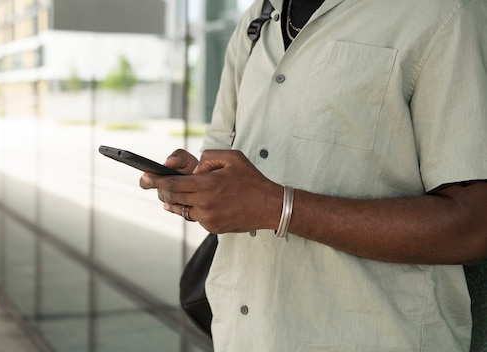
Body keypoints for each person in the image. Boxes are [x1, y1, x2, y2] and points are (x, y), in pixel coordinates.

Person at [140, 0, 487, 350]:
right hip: (243, 335)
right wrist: (200, 189)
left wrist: (277, 207)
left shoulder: (444, 11)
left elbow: (473, 227)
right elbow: (223, 168)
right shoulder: (258, 20)